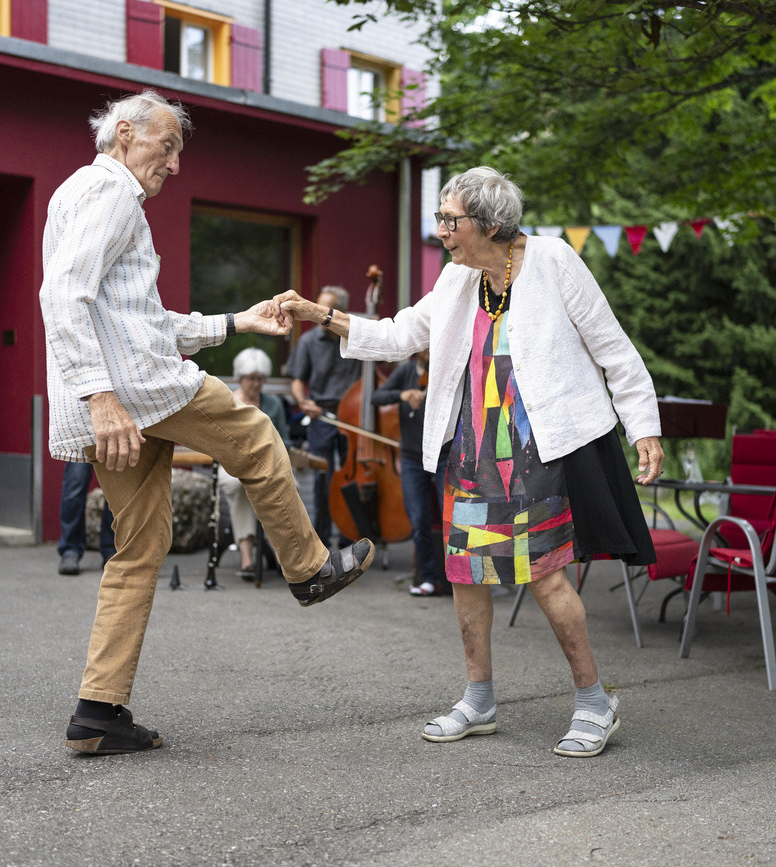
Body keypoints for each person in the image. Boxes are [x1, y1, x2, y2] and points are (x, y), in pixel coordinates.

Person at [277, 166, 665, 758]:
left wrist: (645, 429)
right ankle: (478, 698)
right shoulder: (458, 281)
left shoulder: (555, 261)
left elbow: (615, 350)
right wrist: (318, 313)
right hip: (472, 450)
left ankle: (594, 701)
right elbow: (398, 333)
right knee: (465, 575)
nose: (441, 232)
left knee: (546, 575)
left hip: (540, 450)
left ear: (487, 223)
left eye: (449, 221)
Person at [39, 89, 375, 756]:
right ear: (127, 134)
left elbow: (140, 320)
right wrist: (101, 399)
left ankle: (97, 711)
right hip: (139, 391)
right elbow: (62, 296)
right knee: (255, 435)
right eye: (167, 148)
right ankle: (308, 569)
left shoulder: (75, 194)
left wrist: (236, 322)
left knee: (137, 547)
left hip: (120, 395)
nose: (175, 165)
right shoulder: (111, 195)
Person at [372, 349, 450, 596]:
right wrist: (402, 394)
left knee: (453, 519)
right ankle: (427, 578)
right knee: (418, 520)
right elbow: (377, 396)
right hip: (411, 457)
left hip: (443, 454)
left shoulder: (446, 368)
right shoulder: (406, 371)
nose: (429, 349)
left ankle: (458, 578)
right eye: (424, 345)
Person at [288, 286, 361, 547]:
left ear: (338, 311)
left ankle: (350, 535)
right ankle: (319, 537)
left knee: (352, 478)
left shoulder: (355, 337)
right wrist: (303, 402)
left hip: (353, 418)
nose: (318, 315)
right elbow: (297, 380)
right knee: (323, 478)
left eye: (324, 310)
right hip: (321, 416)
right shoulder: (308, 341)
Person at [216, 347, 291, 580]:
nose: (255, 384)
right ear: (240, 377)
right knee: (240, 487)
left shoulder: (274, 405)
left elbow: (284, 439)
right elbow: (218, 441)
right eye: (250, 378)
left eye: (260, 379)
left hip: (270, 464)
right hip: (233, 465)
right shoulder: (227, 402)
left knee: (288, 487)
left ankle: (286, 555)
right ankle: (247, 555)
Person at [56, 462, 115, 575]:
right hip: (81, 444)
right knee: (75, 482)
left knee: (114, 486)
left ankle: (112, 549)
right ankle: (70, 549)